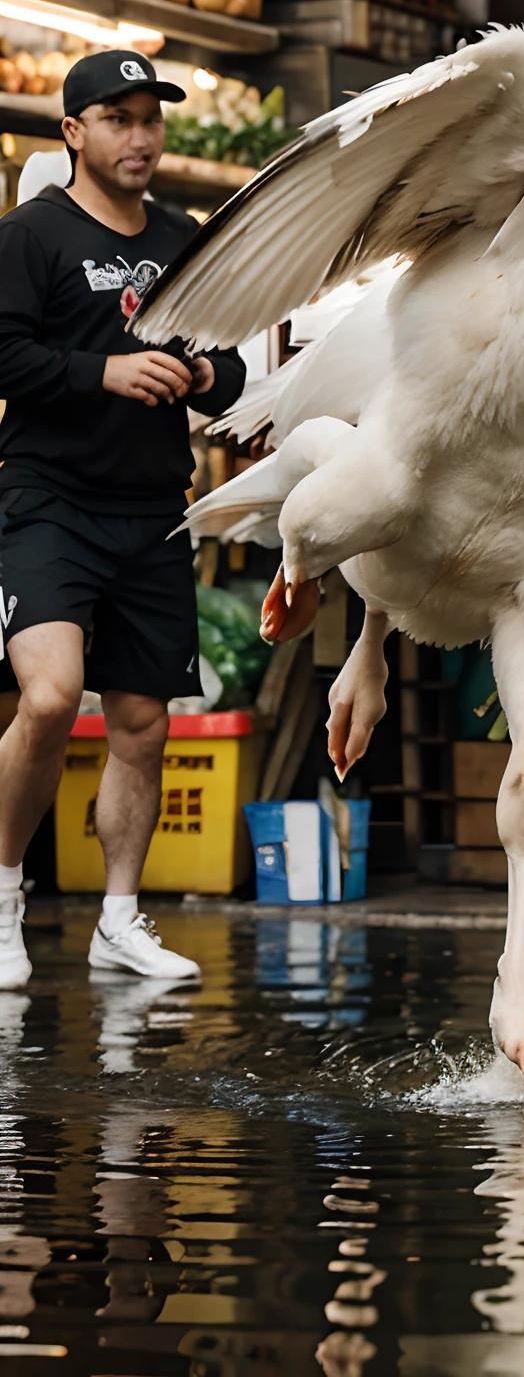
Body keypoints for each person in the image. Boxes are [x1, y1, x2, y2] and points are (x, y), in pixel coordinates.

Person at [0, 50, 246, 989]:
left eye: (151, 118)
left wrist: (204, 376)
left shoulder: (184, 235)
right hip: (49, 500)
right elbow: (2, 354)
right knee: (54, 696)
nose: (140, 136)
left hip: (153, 509)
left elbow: (231, 366)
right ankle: (3, 896)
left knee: (144, 723)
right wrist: (97, 370)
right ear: (73, 133)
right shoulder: (32, 235)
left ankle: (117, 920)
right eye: (118, 118)